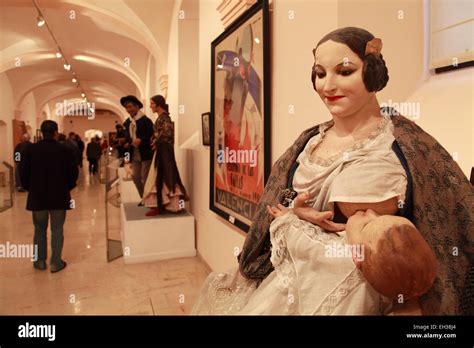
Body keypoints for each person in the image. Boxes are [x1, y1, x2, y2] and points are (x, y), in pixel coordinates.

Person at [193, 27, 473, 315]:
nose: (328, 86)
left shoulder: (401, 147)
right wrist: (294, 213)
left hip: (362, 300)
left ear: (372, 72)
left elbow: (434, 229)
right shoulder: (307, 143)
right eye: (320, 73)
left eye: (345, 71)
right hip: (293, 288)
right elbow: (279, 204)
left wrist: (293, 224)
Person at [193, 198, 438, 315]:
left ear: (359, 257)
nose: (370, 212)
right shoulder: (385, 282)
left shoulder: (341, 257)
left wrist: (287, 216)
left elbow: (304, 242)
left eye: (366, 225)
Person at [19, 120, 78, 273]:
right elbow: (73, 174)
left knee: (39, 229)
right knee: (57, 229)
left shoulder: (30, 150)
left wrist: (29, 188)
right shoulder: (65, 150)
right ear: (56, 132)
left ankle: (39, 261)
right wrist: (67, 188)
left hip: (38, 196)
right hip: (59, 196)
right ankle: (55, 262)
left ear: (41, 133)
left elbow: (23, 173)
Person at [142, 95, 188, 216]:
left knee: (164, 175)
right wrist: (155, 140)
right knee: (160, 175)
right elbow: (160, 134)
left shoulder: (165, 118)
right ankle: (161, 204)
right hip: (161, 150)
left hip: (165, 151)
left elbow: (166, 135)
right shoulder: (161, 118)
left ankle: (161, 205)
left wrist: (156, 142)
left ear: (158, 104)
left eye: (152, 103)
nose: (150, 106)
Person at [120, 95, 154, 200]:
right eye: (126, 108)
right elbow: (127, 137)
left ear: (137, 106)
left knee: (145, 177)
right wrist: (127, 141)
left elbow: (151, 135)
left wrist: (141, 140)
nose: (128, 110)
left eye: (130, 107)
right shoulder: (127, 123)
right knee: (135, 177)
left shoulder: (146, 121)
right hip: (134, 153)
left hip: (145, 153)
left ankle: (149, 199)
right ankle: (144, 198)